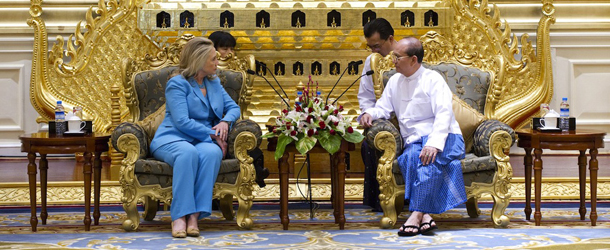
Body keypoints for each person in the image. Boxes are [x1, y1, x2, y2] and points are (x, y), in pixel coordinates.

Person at [360, 37, 467, 236]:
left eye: (398, 57)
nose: (393, 60)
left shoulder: (433, 79)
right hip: (415, 141)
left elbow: (444, 114)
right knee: (409, 158)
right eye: (393, 56)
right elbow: (383, 108)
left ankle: (415, 215)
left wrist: (434, 144)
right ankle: (426, 216)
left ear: (413, 59)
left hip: (445, 137)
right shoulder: (394, 81)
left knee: (427, 162)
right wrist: (369, 114)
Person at [150, 37, 240, 238]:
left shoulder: (214, 83)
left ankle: (194, 216)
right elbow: (182, 121)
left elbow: (234, 108)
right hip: (172, 138)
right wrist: (213, 133)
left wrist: (225, 122)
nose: (218, 63)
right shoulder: (177, 84)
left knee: (210, 153)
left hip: (203, 141)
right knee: (187, 153)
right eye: (213, 59)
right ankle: (179, 216)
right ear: (199, 61)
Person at [357, 18, 397, 212]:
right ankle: (382, 199)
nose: (374, 52)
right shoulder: (371, 62)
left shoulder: (408, 57)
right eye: (370, 47)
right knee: (369, 144)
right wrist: (367, 114)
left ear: (390, 39)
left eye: (377, 46)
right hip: (382, 121)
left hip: (409, 120)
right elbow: (365, 96)